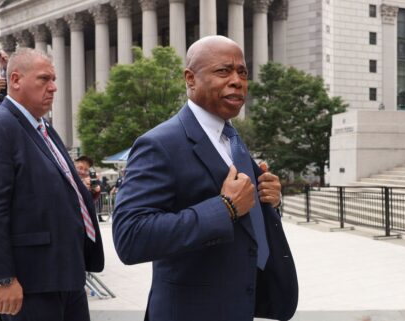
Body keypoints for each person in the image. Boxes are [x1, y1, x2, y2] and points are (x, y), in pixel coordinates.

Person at [112, 35, 298, 321]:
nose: (237, 80)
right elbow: (131, 237)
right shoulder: (159, 144)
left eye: (242, 72)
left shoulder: (232, 139)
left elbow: (246, 217)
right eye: (223, 71)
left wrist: (268, 200)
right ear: (190, 79)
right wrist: (224, 208)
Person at [0, 48, 104, 320]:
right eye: (44, 79)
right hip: (30, 282)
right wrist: (3, 278)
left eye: (54, 79)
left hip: (67, 274)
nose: (53, 87)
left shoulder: (44, 128)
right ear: (15, 80)